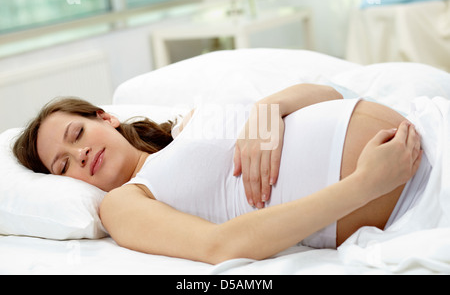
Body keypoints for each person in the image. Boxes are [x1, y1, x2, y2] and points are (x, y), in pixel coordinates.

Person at [13, 83, 425, 264]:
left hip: (426, 130)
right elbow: (221, 246)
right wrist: (365, 184)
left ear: (106, 118)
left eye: (76, 133)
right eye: (63, 165)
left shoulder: (187, 122)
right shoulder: (124, 203)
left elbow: (332, 95)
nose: (80, 154)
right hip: (407, 196)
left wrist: (271, 107)